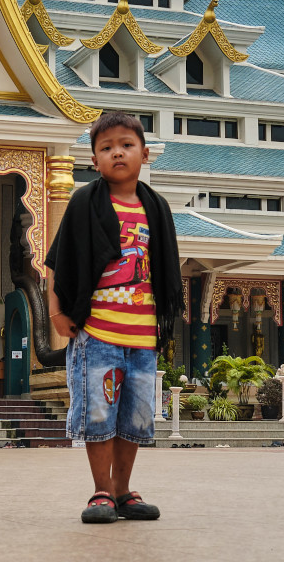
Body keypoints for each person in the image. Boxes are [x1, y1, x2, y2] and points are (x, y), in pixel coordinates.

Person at [46, 112, 183, 523]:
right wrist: (56, 310)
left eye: (125, 145)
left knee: (136, 416)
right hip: (98, 330)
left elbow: (165, 270)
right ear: (94, 160)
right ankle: (101, 491)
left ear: (145, 154)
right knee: (99, 413)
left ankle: (124, 492)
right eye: (106, 148)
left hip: (142, 335)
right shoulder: (85, 203)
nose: (117, 153)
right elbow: (58, 261)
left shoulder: (155, 208)